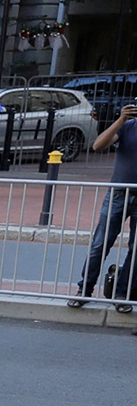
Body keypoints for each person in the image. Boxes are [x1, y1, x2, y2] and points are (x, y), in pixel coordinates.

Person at [74, 102, 137, 305]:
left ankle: (122, 293)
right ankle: (85, 289)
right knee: (100, 243)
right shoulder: (128, 126)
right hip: (119, 193)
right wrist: (121, 119)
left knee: (136, 250)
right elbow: (98, 145)